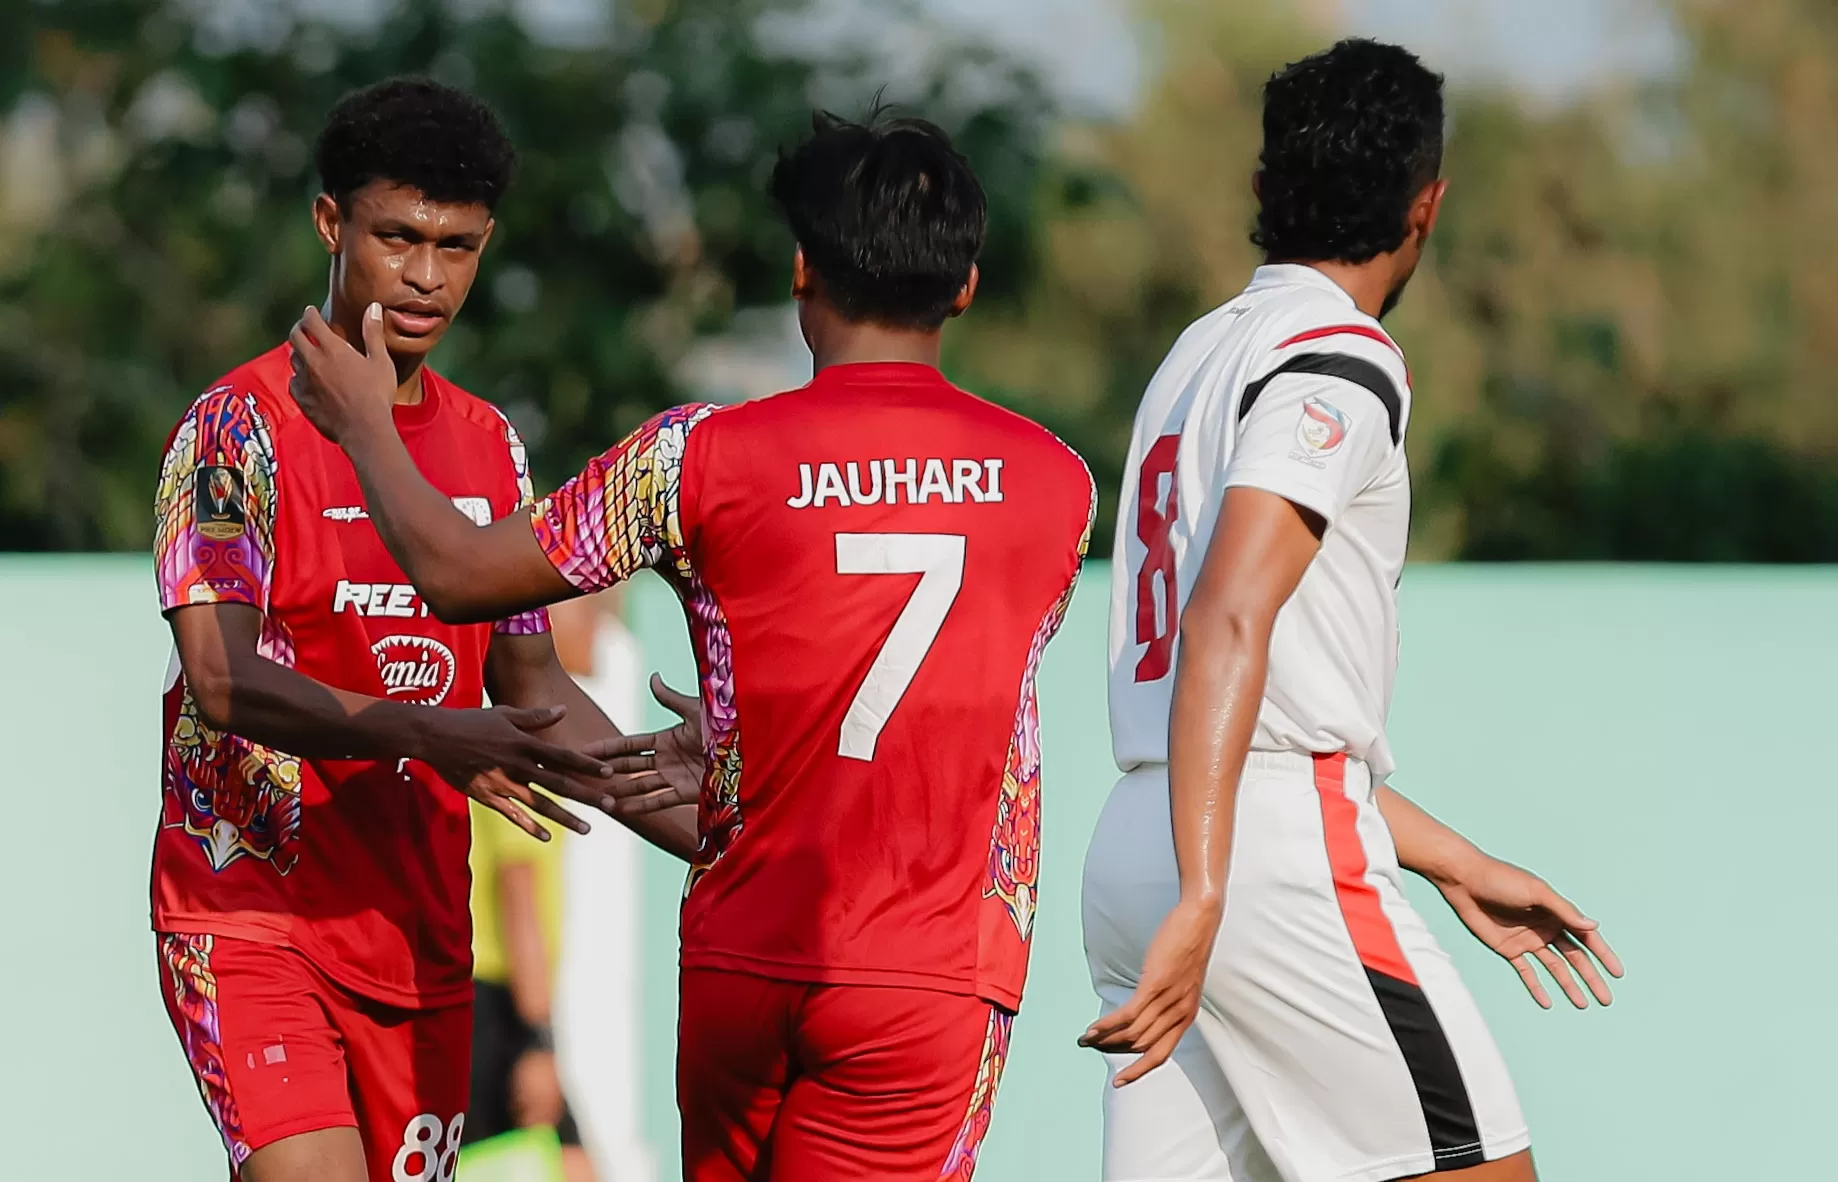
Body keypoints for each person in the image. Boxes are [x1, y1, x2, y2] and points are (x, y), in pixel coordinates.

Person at [285, 108, 1098, 1182]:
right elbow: (943, 695)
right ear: (963, 288)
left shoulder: (693, 458)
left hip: (739, 965)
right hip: (925, 976)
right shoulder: (1055, 483)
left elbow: (456, 574)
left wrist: (366, 429)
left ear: (800, 273)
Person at [1077, 40, 1625, 1182]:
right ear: (1426, 206)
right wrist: (1211, 887)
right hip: (1243, 860)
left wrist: (1446, 857)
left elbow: (1247, 687)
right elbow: (1228, 617)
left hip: (1140, 838)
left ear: (1263, 193)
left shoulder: (1195, 355)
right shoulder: (1336, 360)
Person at [152, 77, 695, 1182]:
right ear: (328, 223)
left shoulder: (492, 450)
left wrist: (725, 825)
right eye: (397, 237)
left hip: (421, 948)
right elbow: (220, 680)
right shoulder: (231, 430)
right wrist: (429, 735)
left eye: (457, 246)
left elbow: (533, 692)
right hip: (251, 922)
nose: (425, 275)